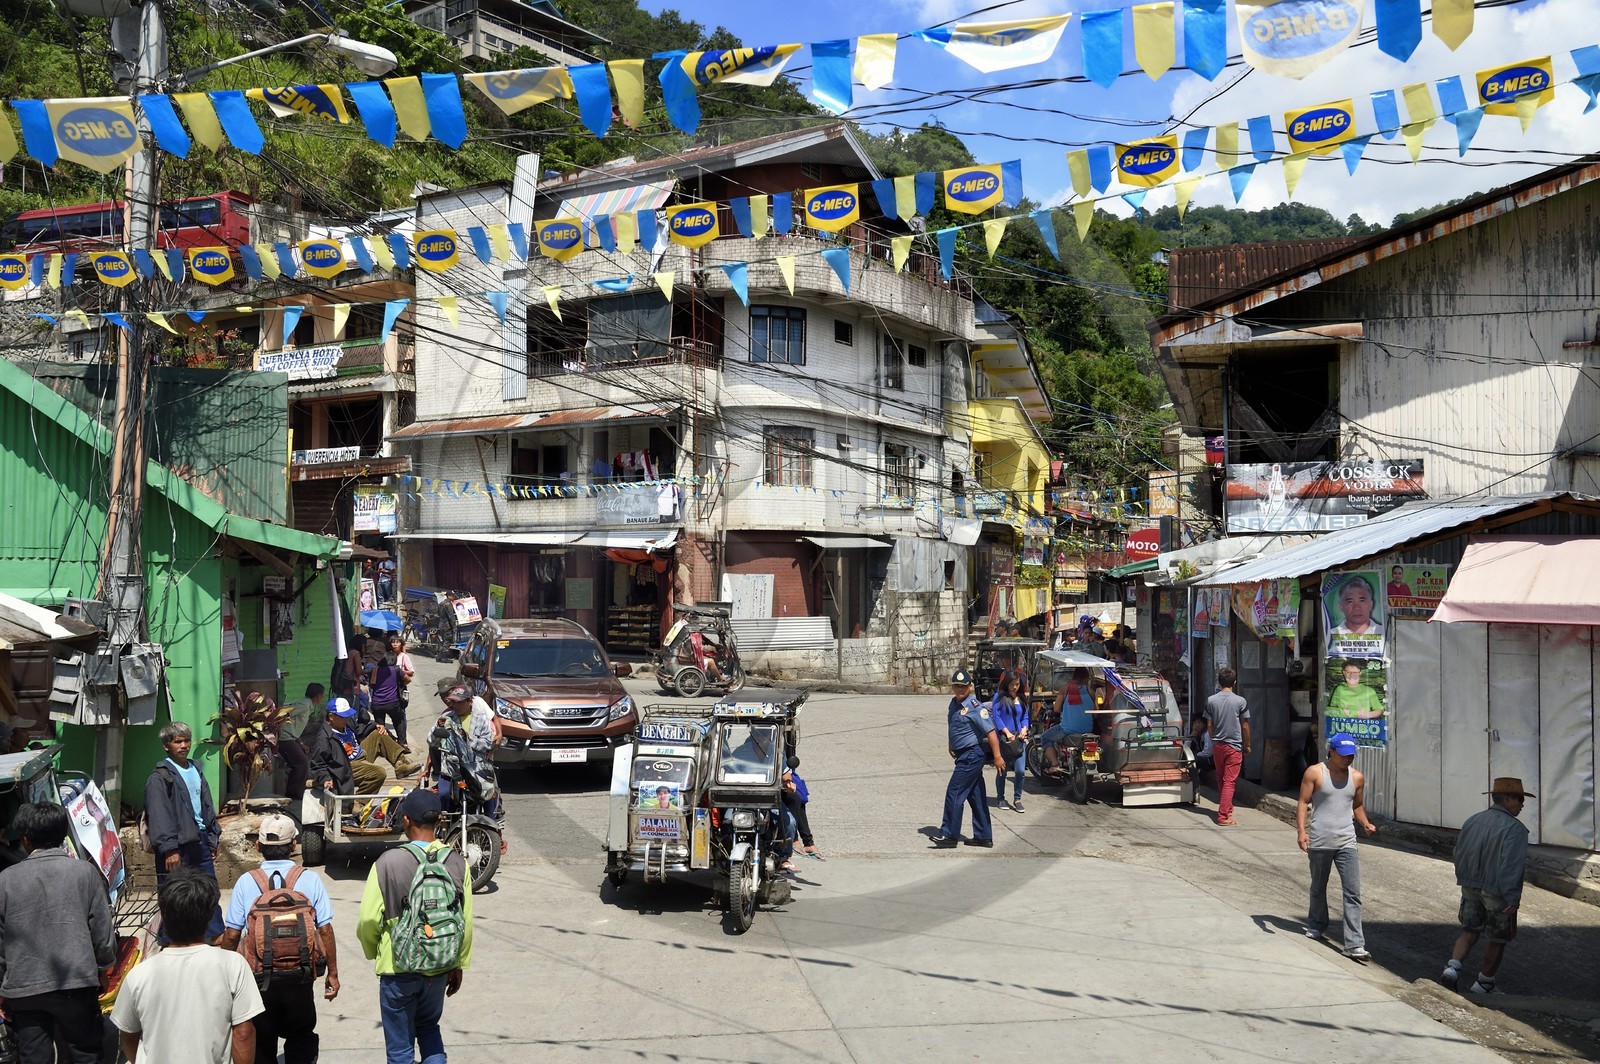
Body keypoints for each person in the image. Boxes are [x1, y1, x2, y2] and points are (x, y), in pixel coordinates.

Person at [356, 790, 474, 1064]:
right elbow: (465, 922)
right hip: (440, 964)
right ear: (439, 821)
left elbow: (367, 922)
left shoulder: (387, 862)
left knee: (400, 1050)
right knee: (429, 1028)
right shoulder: (457, 863)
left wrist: (376, 951)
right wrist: (458, 963)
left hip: (398, 966)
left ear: (406, 820)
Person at [0, 802, 115, 1064]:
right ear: (63, 836)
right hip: (76, 986)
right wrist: (102, 970)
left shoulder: (4, 880)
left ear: (26, 840)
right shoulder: (85, 873)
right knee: (85, 1053)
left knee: (33, 1057)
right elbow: (102, 932)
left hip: (23, 991)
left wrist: (4, 987)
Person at [218, 814, 339, 1064]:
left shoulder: (246, 882)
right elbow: (325, 930)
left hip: (258, 979)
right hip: (301, 974)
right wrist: (333, 974)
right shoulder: (310, 879)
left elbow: (231, 934)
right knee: (301, 1035)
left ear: (259, 846)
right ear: (294, 845)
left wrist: (223, 975)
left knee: (262, 1040)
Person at [112, 868, 264, 1064]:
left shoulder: (138, 975)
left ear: (164, 916)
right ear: (210, 916)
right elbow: (243, 1033)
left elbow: (128, 1035)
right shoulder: (233, 965)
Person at [1442, 777, 1534, 994]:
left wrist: (1464, 878)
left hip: (1470, 886)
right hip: (1498, 892)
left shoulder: (1473, 820)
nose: (1522, 804)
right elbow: (1510, 866)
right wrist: (1513, 898)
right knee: (1498, 938)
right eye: (1520, 799)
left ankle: (1452, 968)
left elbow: (1458, 853)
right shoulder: (1516, 829)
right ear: (1507, 798)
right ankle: (1484, 983)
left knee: (1469, 930)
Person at [1296, 733, 1378, 961]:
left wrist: (1365, 823)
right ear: (1331, 751)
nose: (1347, 759)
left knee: (1353, 893)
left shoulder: (1357, 777)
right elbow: (1303, 802)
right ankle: (1316, 924)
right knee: (1318, 886)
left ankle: (1354, 945)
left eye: (1351, 755)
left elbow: (1357, 806)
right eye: (1343, 755)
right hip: (1320, 839)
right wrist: (1302, 832)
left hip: (1347, 842)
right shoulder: (1314, 772)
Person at [145, 721, 225, 941]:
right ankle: (173, 938)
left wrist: (212, 838)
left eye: (186, 740)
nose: (183, 745)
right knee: (174, 893)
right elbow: (158, 815)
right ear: (166, 746)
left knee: (208, 889)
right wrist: (169, 848)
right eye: (177, 741)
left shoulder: (196, 770)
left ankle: (215, 932)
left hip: (199, 840)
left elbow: (207, 806)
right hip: (176, 845)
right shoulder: (160, 777)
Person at [931, 668, 1004, 849]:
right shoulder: (954, 704)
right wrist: (951, 743)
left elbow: (991, 732)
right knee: (976, 796)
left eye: (963, 686)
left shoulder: (975, 707)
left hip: (972, 755)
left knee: (954, 792)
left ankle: (949, 834)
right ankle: (983, 836)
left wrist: (997, 757)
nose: (960, 689)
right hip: (962, 753)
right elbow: (953, 725)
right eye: (956, 686)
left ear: (970, 687)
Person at [431, 685, 500, 816]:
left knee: (491, 794)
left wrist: (468, 739)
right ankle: (444, 826)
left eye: (459, 702)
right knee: (444, 794)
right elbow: (431, 741)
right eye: (453, 701)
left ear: (469, 702)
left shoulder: (480, 718)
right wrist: (437, 731)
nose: (454, 705)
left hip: (476, 769)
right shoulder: (446, 717)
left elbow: (487, 743)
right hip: (452, 769)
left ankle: (492, 825)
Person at [1194, 667, 1249, 826]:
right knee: (1229, 781)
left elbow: (1209, 725)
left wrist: (1213, 739)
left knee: (1221, 778)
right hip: (1233, 746)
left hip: (1217, 745)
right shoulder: (1240, 701)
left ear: (1219, 682)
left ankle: (1226, 807)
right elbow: (1244, 726)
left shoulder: (1211, 700)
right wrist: (1248, 744)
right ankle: (1224, 816)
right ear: (1235, 683)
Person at [280, 684, 326, 817]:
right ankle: (294, 794)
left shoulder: (308, 706)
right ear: (317, 696)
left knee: (302, 762)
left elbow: (295, 726)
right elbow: (286, 713)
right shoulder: (305, 704)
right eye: (322, 696)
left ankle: (296, 792)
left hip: (291, 738)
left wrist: (301, 743)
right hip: (285, 739)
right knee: (301, 763)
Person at [990, 672, 1029, 813]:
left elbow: (1025, 716)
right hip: (1005, 740)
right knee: (1002, 771)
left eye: (1017, 684)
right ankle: (1000, 798)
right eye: (1012, 684)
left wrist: (1025, 729)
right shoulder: (999, 698)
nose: (1014, 687)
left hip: (1019, 739)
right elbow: (997, 717)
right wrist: (1006, 732)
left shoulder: (1022, 699)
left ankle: (1017, 799)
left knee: (1020, 771)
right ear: (1006, 684)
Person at [368, 635, 415, 747]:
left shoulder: (375, 670)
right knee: (399, 721)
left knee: (380, 725)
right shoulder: (396, 670)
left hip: (377, 703)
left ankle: (384, 746)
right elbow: (408, 679)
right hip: (392, 703)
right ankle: (403, 743)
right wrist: (399, 684)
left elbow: (372, 684)